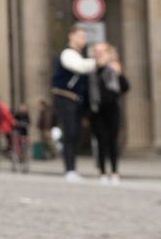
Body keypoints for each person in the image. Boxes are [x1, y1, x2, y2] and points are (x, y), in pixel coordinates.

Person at [52, 24, 96, 181]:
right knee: (69, 132)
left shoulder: (80, 54)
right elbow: (79, 67)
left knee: (75, 133)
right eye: (81, 36)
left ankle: (72, 168)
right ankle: (69, 169)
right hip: (65, 98)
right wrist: (98, 61)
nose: (83, 40)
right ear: (71, 36)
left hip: (76, 101)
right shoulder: (68, 54)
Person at [90, 42, 129, 184]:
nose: (99, 53)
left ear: (108, 53)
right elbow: (87, 91)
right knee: (100, 141)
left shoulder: (113, 69)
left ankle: (114, 171)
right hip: (97, 111)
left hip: (112, 109)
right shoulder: (91, 69)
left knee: (112, 141)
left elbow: (125, 87)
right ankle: (102, 172)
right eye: (96, 51)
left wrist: (119, 73)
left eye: (102, 51)